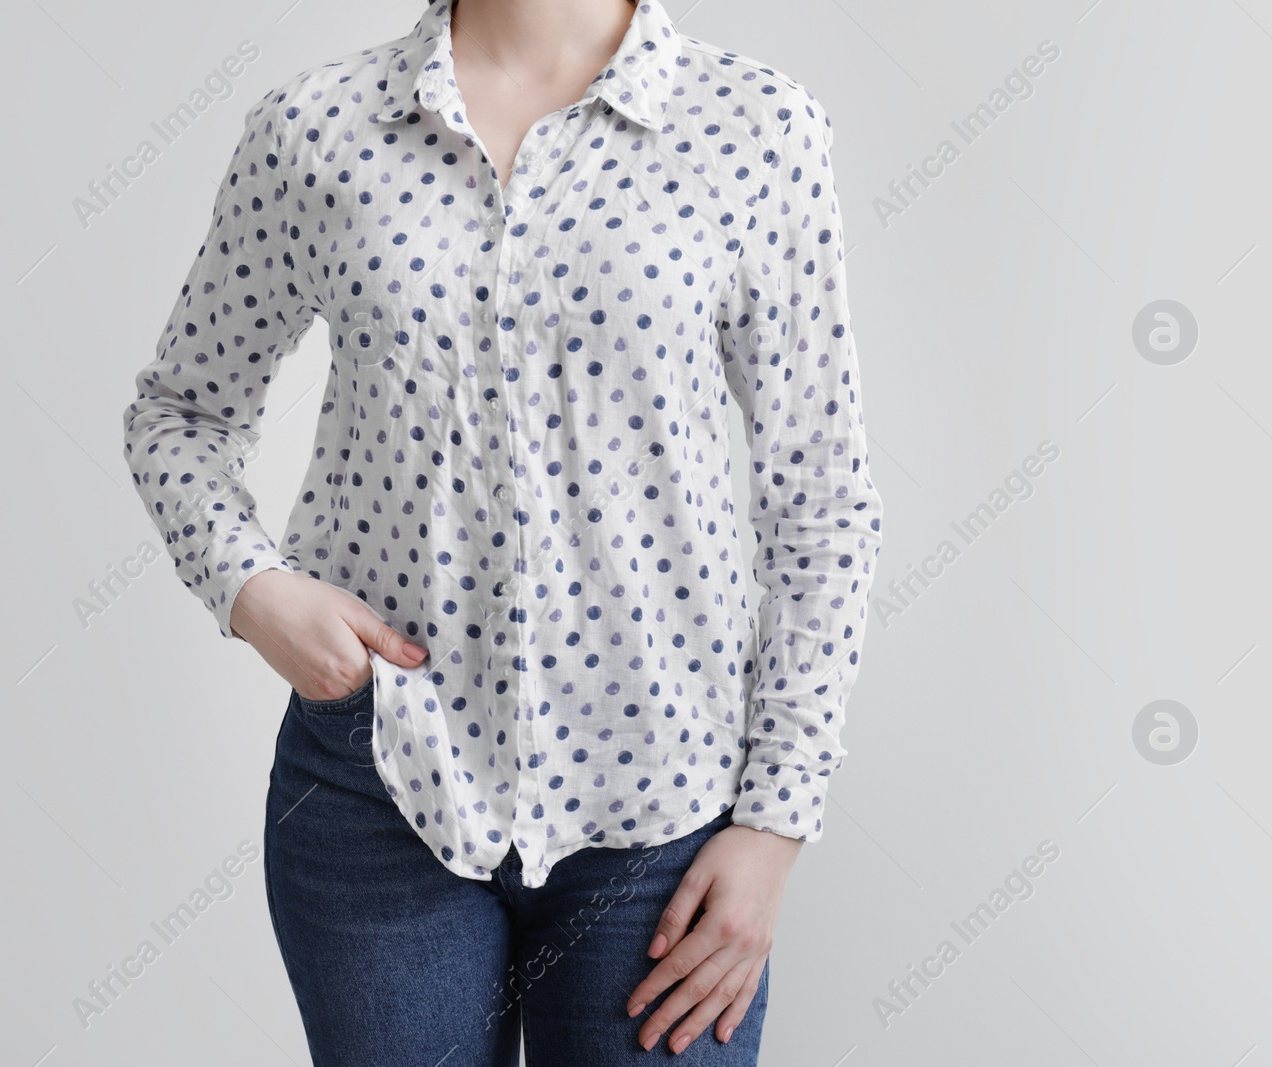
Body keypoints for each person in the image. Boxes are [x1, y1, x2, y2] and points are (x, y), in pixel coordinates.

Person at [119, 0, 882, 1061]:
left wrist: (774, 822)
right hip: (379, 783)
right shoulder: (318, 127)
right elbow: (180, 414)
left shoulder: (756, 127)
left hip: (666, 808)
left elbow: (821, 495)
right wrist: (252, 588)